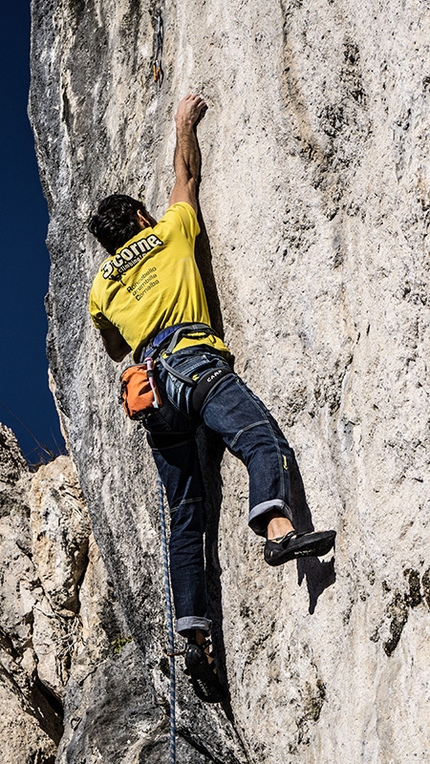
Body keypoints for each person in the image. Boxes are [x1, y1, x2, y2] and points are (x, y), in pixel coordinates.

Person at [88, 94, 336, 702]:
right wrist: (182, 124)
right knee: (258, 438)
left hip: (150, 392)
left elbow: (114, 348)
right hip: (193, 359)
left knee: (186, 516)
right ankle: (277, 527)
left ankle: (192, 636)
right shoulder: (170, 232)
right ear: (143, 217)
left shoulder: (101, 285)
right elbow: (187, 176)